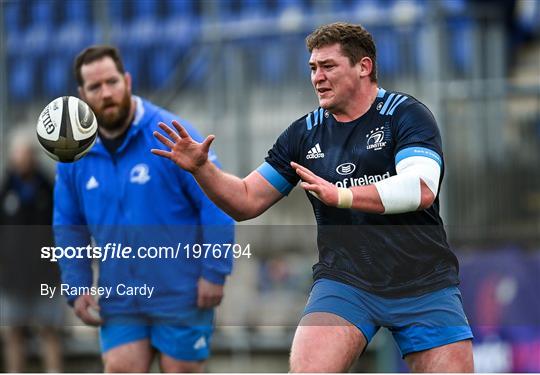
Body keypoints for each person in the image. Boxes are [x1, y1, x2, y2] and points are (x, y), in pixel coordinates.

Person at [152, 22, 474, 372]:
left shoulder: (406, 114)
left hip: (423, 282)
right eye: (313, 68)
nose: (317, 77)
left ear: (363, 67)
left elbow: (421, 188)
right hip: (347, 283)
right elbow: (246, 200)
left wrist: (343, 196)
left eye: (328, 66)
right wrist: (203, 170)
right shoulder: (304, 134)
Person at [54, 45, 234, 372]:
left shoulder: (171, 135)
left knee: (181, 370)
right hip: (120, 294)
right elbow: (68, 225)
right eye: (95, 87)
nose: (106, 93)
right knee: (120, 367)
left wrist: (214, 271)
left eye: (112, 82)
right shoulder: (73, 152)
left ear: (127, 80)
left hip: (181, 292)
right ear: (81, 93)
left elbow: (215, 204)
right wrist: (76, 283)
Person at [0, 133, 63, 372]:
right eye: (16, 154)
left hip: (45, 276)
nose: (20, 159)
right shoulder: (6, 189)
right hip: (13, 279)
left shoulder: (48, 188)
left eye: (24, 154)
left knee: (50, 333)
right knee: (13, 334)